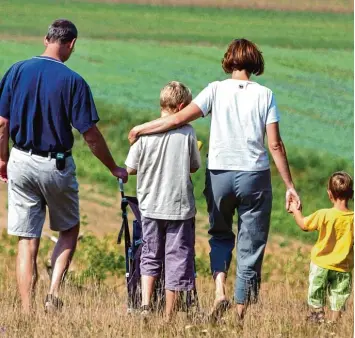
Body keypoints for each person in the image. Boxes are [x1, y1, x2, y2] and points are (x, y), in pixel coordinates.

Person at [128, 38, 301, 321]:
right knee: (251, 242)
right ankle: (240, 312)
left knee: (220, 234)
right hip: (254, 175)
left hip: (219, 173)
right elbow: (275, 145)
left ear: (228, 61)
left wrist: (141, 128)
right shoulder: (265, 95)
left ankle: (220, 289)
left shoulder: (215, 90)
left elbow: (176, 119)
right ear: (256, 63)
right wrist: (290, 185)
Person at [0, 19, 128, 314]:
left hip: (20, 158)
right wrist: (113, 167)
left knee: (27, 238)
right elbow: (91, 135)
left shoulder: (16, 71)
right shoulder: (74, 81)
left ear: (46, 39)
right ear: (71, 44)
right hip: (55, 164)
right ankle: (54, 291)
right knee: (69, 229)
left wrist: (4, 158)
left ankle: (26, 310)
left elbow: (2, 124)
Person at [125, 81, 201, 321]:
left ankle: (146, 304)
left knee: (149, 253)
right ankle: (169, 315)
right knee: (177, 258)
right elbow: (194, 166)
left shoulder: (144, 135)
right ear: (181, 106)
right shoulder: (188, 132)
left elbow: (130, 168)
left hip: (149, 205)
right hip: (179, 208)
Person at [289, 172, 353, 323]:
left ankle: (317, 319)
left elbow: (304, 225)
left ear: (329, 194)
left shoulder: (324, 214)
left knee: (316, 292)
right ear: (351, 194)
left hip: (321, 264)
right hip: (344, 266)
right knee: (339, 296)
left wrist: (295, 211)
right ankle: (334, 323)